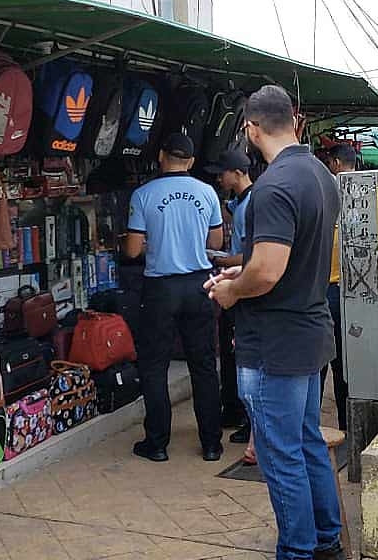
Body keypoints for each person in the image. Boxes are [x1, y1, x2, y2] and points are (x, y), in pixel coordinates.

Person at [204, 86, 344, 560]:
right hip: (309, 331)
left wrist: (230, 289)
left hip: (275, 344)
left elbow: (266, 271)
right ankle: (326, 540)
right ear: (295, 121)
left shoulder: (273, 185)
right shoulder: (321, 176)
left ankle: (298, 550)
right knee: (305, 443)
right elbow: (289, 254)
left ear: (251, 128)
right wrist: (241, 271)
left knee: (281, 455)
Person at [123, 132, 225, 463]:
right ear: (192, 161)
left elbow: (133, 249)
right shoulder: (207, 192)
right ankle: (211, 444)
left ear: (162, 156)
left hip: (161, 288)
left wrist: (157, 243)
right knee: (204, 365)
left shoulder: (143, 195)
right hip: (199, 286)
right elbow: (217, 242)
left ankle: (157, 444)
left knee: (155, 366)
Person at [203, 149, 253, 446]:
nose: (219, 178)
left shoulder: (250, 206)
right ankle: (233, 411)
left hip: (241, 287)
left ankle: (248, 422)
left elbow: (248, 255)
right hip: (237, 284)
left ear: (236, 172)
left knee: (239, 354)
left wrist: (218, 260)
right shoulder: (240, 202)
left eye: (222, 173)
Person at [322, 143, 357, 430]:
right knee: (344, 362)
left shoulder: (327, 190)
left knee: (319, 359)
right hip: (351, 289)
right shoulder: (362, 191)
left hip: (326, 288)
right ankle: (346, 424)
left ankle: (311, 423)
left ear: (334, 162)